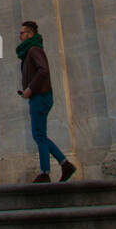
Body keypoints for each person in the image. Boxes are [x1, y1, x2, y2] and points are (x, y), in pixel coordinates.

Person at [17, 20, 77, 184]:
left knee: (39, 135)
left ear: (30, 34)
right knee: (40, 135)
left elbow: (43, 70)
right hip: (38, 96)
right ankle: (65, 165)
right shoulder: (29, 51)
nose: (19, 36)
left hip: (40, 96)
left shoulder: (34, 50)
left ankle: (45, 172)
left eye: (22, 33)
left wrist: (30, 88)